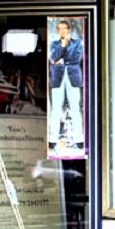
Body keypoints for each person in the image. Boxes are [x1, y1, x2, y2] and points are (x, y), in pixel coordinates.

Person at [49, 19, 84, 152]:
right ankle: (53, 139)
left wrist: (62, 59)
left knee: (75, 108)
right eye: (60, 28)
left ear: (69, 29)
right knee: (56, 109)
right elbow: (53, 58)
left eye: (65, 28)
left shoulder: (77, 43)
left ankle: (78, 139)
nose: (62, 30)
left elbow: (77, 59)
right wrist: (63, 46)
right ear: (58, 30)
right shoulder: (54, 44)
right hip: (58, 78)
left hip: (73, 77)